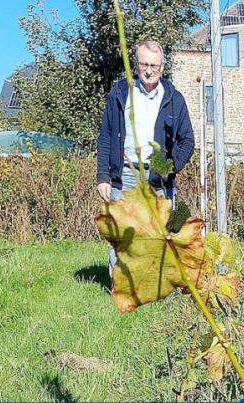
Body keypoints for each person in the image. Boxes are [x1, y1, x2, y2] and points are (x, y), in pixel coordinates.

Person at [96, 39, 195, 277]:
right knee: (122, 235)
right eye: (144, 65)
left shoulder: (174, 99)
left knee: (159, 234)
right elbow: (106, 136)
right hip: (125, 173)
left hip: (158, 174)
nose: (149, 71)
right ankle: (120, 289)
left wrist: (170, 167)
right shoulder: (119, 93)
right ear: (136, 64)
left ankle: (153, 288)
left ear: (162, 66)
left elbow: (187, 141)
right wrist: (103, 176)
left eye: (155, 65)